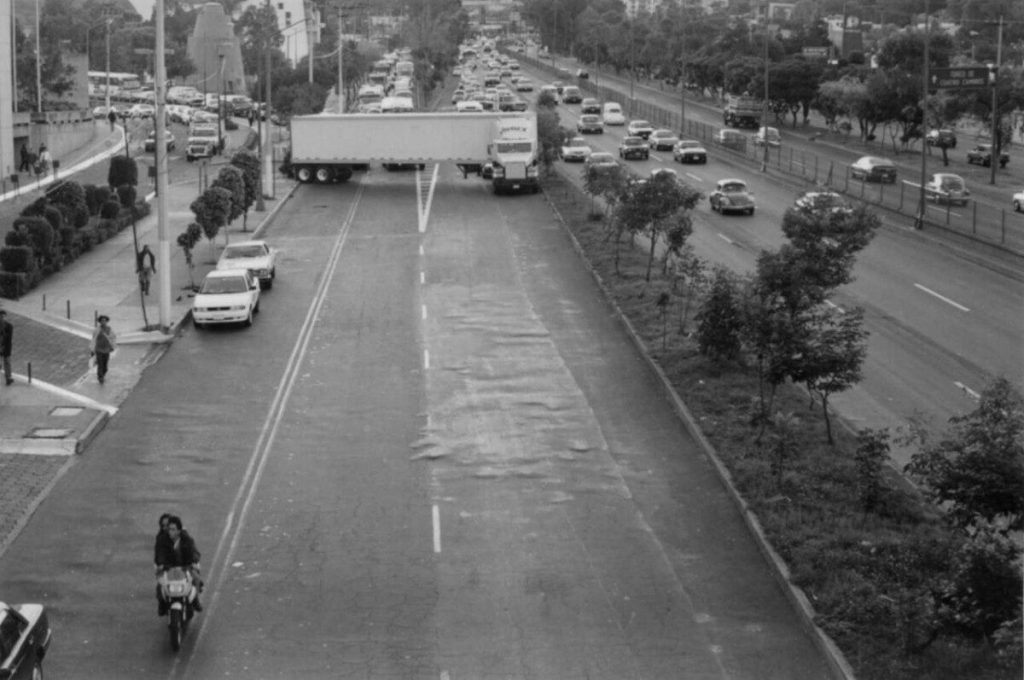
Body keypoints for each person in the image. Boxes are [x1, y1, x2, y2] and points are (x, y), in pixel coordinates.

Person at [155, 516, 203, 613]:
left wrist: (193, 561)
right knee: (160, 585)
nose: (170, 532)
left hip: (185, 568)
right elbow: (160, 554)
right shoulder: (162, 540)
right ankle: (162, 604)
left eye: (173, 529)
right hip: (169, 568)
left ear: (179, 531)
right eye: (169, 529)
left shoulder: (187, 540)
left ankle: (195, 600)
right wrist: (161, 564)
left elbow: (194, 553)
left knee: (196, 579)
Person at [90, 315, 117, 384]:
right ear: (100, 322)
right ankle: (100, 377)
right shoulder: (96, 330)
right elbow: (93, 340)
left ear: (107, 321)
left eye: (105, 320)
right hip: (98, 350)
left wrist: (113, 347)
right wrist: (92, 350)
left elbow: (113, 338)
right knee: (100, 365)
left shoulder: (109, 329)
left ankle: (102, 375)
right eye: (102, 321)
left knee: (105, 367)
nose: (103, 322)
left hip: (106, 350)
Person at [0, 310, 13, 386]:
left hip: (6, 347)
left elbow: (9, 338)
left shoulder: (9, 326)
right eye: (0, 317)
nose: (2, 318)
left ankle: (8, 378)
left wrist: (3, 347)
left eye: (3, 317)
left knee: (7, 362)